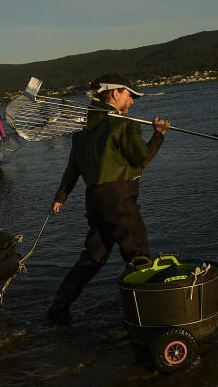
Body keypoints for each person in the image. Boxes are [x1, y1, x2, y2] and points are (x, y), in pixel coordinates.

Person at [46, 73, 170, 325]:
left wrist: (61, 196)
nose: (132, 102)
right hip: (119, 200)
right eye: (129, 95)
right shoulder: (125, 124)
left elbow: (73, 169)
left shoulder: (81, 133)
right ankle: (152, 318)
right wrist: (158, 135)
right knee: (139, 257)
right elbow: (140, 160)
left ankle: (58, 309)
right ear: (115, 94)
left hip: (95, 201)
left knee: (93, 257)